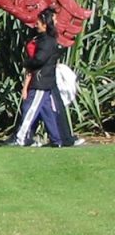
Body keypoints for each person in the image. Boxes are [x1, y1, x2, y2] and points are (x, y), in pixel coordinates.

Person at [6, 8, 80, 147]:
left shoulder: (46, 41)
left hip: (41, 81)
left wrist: (26, 63)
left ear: (45, 24)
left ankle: (20, 137)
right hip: (46, 81)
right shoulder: (46, 39)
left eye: (39, 22)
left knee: (31, 108)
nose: (36, 25)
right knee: (48, 112)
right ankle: (57, 139)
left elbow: (39, 59)